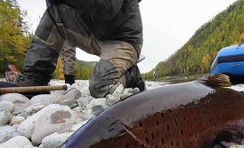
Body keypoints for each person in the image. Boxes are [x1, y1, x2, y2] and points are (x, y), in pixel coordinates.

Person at [1, 0, 145, 98]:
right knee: (55, 11)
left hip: (124, 39)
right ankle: (36, 77)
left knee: (100, 87)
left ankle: (131, 75)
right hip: (94, 34)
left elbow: (108, 7)